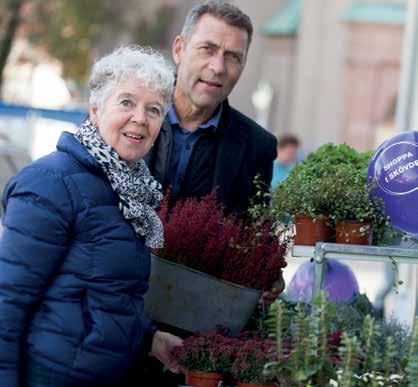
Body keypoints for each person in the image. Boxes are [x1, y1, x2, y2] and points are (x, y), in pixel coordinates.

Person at [0, 46, 182, 387]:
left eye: (153, 109)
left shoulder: (131, 191)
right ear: (95, 110)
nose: (140, 118)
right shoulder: (51, 183)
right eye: (126, 102)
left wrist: (150, 339)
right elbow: (7, 301)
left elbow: (105, 294)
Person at [145, 0, 277, 216]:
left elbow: (252, 238)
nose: (218, 67)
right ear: (179, 50)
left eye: (233, 57)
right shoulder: (126, 116)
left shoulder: (257, 147)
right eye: (207, 49)